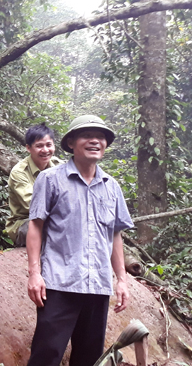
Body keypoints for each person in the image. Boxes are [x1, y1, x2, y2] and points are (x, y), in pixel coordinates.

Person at [26, 115, 133, 366]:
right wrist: (34, 273)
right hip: (60, 284)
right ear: (71, 143)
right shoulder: (51, 179)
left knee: (88, 358)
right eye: (87, 135)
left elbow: (115, 234)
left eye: (101, 136)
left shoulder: (112, 186)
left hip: (97, 286)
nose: (95, 140)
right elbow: (35, 225)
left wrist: (122, 280)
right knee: (46, 354)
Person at [5, 123, 63, 247]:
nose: (45, 150)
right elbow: (35, 206)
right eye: (39, 146)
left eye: (49, 145)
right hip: (25, 223)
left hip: (55, 217)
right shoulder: (19, 172)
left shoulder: (60, 166)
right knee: (55, 227)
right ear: (28, 148)